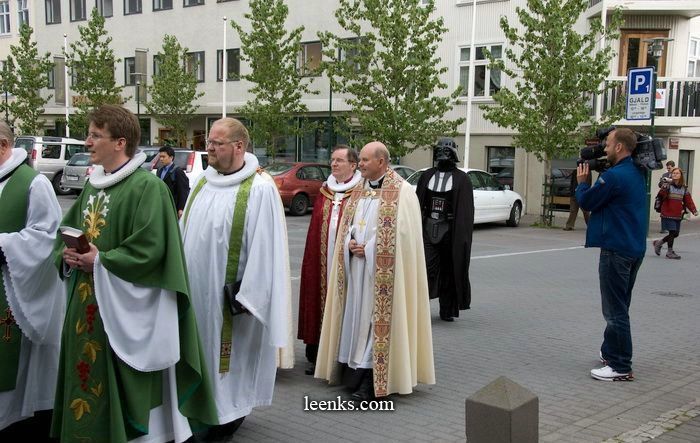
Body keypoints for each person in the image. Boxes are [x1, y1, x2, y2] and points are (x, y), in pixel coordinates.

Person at [53, 105, 218, 442]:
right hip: (86, 304)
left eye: (95, 135)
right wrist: (67, 254)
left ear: (120, 143)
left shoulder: (148, 188)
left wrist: (102, 261)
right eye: (88, 134)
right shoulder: (93, 186)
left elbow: (151, 250)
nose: (87, 142)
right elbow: (66, 231)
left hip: (125, 308)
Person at [180, 118, 291, 440]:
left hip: (231, 300)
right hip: (195, 292)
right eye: (208, 142)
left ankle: (226, 417)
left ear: (239, 146)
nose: (209, 149)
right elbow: (186, 232)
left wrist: (251, 297)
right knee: (199, 353)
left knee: (226, 361)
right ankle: (198, 411)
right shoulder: (202, 182)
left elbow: (267, 247)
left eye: (216, 143)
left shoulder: (259, 188)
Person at [315, 141, 435, 401]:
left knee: (375, 322)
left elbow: (405, 237)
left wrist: (370, 248)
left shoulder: (402, 192)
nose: (360, 165)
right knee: (357, 320)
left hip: (382, 276)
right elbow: (348, 226)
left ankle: (371, 380)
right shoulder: (359, 189)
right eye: (360, 160)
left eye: (365, 160)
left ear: (381, 162)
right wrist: (349, 243)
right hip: (356, 270)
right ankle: (352, 373)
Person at [0, 122, 64, 439]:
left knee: (17, 371)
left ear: (3, 145)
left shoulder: (33, 183)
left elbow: (48, 237)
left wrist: (4, 245)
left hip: (15, 292)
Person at [576, 127, 646, 382]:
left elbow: (587, 201)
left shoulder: (614, 176)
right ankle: (610, 353)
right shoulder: (637, 171)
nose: (603, 149)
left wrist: (582, 184)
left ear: (619, 147)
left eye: (607, 144)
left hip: (616, 250)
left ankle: (620, 366)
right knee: (620, 306)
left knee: (615, 311)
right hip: (633, 248)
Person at [298, 145, 362, 375]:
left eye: (339, 160)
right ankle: (316, 354)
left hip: (348, 262)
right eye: (332, 160)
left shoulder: (361, 192)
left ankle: (342, 356)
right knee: (318, 297)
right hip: (321, 258)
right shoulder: (325, 190)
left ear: (353, 165)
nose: (333, 164)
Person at [415, 138, 474, 321]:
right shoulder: (427, 175)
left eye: (446, 151)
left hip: (450, 230)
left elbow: (465, 210)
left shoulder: (462, 179)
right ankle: (420, 308)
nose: (443, 155)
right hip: (428, 227)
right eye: (440, 151)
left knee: (449, 269)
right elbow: (417, 202)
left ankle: (447, 309)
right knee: (426, 268)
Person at [653, 167, 698, 259]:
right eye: (673, 173)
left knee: (675, 234)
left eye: (677, 173)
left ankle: (659, 243)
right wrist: (664, 186)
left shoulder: (684, 188)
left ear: (681, 175)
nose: (675, 174)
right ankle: (669, 252)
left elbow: (688, 200)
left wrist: (694, 210)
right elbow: (660, 196)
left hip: (677, 214)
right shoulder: (667, 185)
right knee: (672, 232)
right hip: (667, 213)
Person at [157, 146, 190, 218]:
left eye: (163, 157)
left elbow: (183, 191)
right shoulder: (159, 170)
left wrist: (181, 208)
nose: (161, 159)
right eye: (160, 157)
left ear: (171, 157)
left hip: (173, 206)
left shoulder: (177, 171)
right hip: (162, 205)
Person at [657, 160, 675, 233]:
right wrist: (662, 182)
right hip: (664, 196)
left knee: (671, 212)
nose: (668, 169)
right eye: (667, 168)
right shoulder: (665, 175)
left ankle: (671, 227)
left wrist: (670, 181)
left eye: (669, 168)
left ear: (673, 167)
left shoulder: (676, 174)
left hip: (673, 196)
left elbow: (678, 184)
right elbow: (659, 185)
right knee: (663, 211)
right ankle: (663, 228)